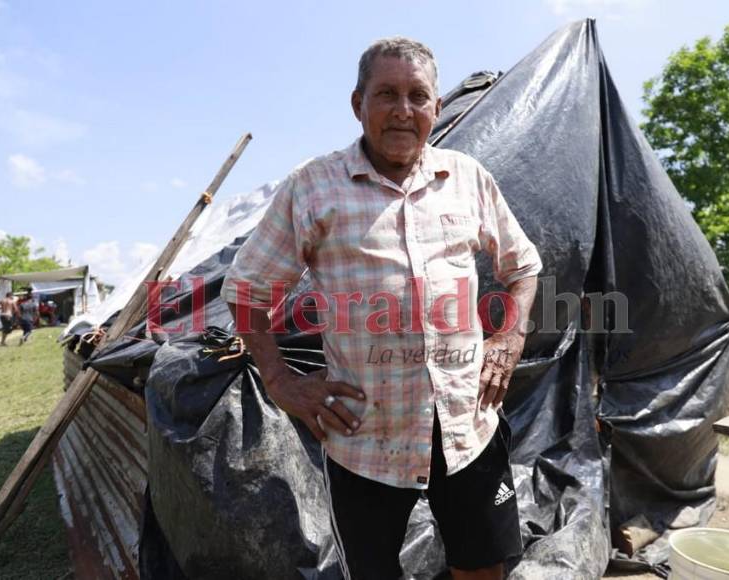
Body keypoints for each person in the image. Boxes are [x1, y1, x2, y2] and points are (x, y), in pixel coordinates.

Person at [221, 37, 542, 580]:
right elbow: (246, 288)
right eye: (387, 94)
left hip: (468, 424)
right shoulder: (313, 187)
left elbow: (523, 267)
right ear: (358, 104)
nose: (403, 110)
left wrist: (509, 337)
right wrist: (278, 378)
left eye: (418, 96)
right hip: (364, 437)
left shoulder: (466, 177)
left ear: (437, 109)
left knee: (484, 566)